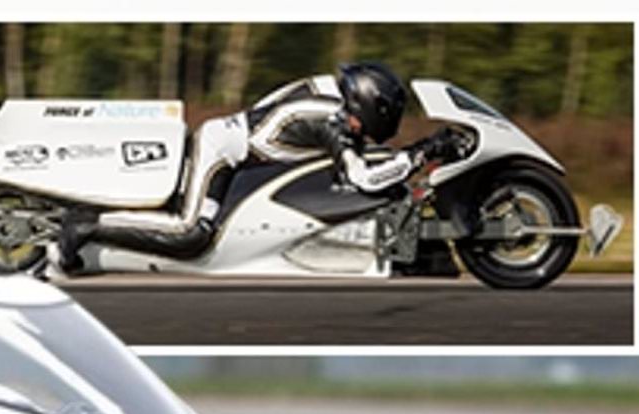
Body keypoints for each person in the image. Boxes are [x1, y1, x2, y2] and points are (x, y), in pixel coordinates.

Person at [59, 61, 449, 269]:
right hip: (221, 152)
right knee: (192, 234)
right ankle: (89, 224)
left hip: (239, 149)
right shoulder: (331, 121)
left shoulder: (329, 94)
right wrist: (424, 151)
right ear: (368, 104)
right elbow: (360, 177)